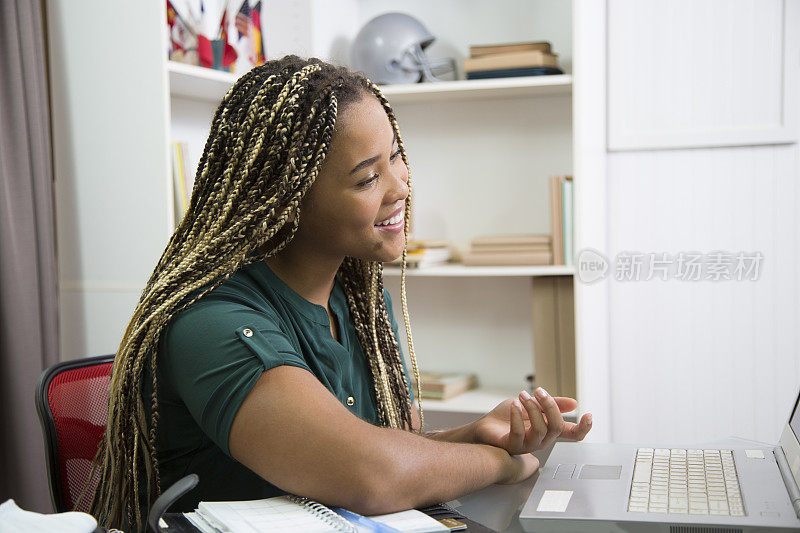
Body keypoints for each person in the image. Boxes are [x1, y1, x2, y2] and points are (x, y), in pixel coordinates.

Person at [88, 55, 592, 531]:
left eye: (396, 157)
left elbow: (385, 448)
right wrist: (502, 464)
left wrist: (477, 433)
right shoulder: (211, 321)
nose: (400, 187)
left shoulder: (361, 306)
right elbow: (372, 474)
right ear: (286, 199)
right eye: (368, 177)